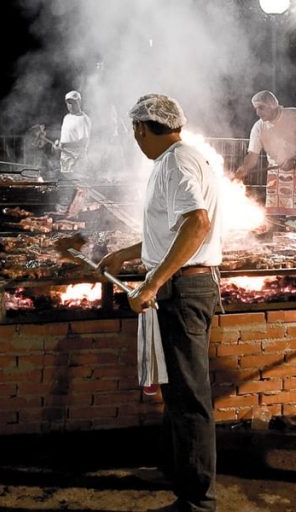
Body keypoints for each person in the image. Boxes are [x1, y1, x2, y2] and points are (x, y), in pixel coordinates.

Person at [97, 93, 222, 512]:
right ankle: (182, 470)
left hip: (184, 290)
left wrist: (153, 283)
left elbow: (197, 224)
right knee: (176, 393)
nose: (134, 138)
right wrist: (127, 255)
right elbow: (172, 230)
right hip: (178, 286)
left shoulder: (177, 162)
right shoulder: (174, 161)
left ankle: (198, 499)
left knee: (189, 396)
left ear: (142, 128)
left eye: (134, 131)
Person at [236, 90, 296, 220]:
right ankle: (277, 234)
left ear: (272, 105)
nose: (258, 112)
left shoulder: (295, 115)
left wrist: (294, 159)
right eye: (256, 109)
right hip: (276, 170)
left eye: (261, 108)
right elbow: (252, 155)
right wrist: (244, 169)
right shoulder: (258, 127)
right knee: (275, 216)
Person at [58, 90, 91, 175]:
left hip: (77, 160)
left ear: (79, 102)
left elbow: (83, 142)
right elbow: (66, 138)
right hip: (65, 159)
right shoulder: (67, 117)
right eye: (69, 103)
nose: (71, 105)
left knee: (77, 185)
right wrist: (60, 144)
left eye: (73, 102)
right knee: (65, 186)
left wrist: (64, 145)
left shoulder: (83, 119)